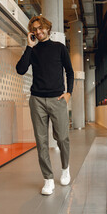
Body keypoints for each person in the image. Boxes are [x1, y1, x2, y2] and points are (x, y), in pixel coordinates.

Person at [16, 16, 74, 195]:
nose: (38, 32)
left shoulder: (59, 48)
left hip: (58, 99)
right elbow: (20, 69)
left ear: (48, 28)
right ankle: (48, 179)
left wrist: (68, 94)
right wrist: (28, 46)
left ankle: (65, 168)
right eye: (35, 29)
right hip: (37, 100)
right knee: (41, 142)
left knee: (62, 137)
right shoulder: (32, 50)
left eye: (41, 28)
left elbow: (70, 72)